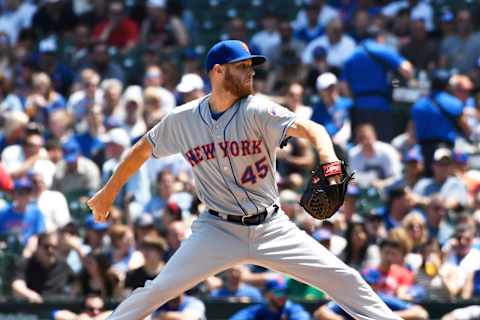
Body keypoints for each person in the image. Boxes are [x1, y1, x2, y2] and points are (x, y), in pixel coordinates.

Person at [87, 39, 402, 320]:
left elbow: (313, 129)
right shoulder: (182, 120)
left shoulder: (257, 110)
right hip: (217, 230)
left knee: (344, 278)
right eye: (243, 67)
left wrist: (330, 161)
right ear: (218, 72)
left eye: (252, 66)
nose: (251, 73)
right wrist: (107, 193)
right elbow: (141, 150)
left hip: (271, 227)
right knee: (157, 290)